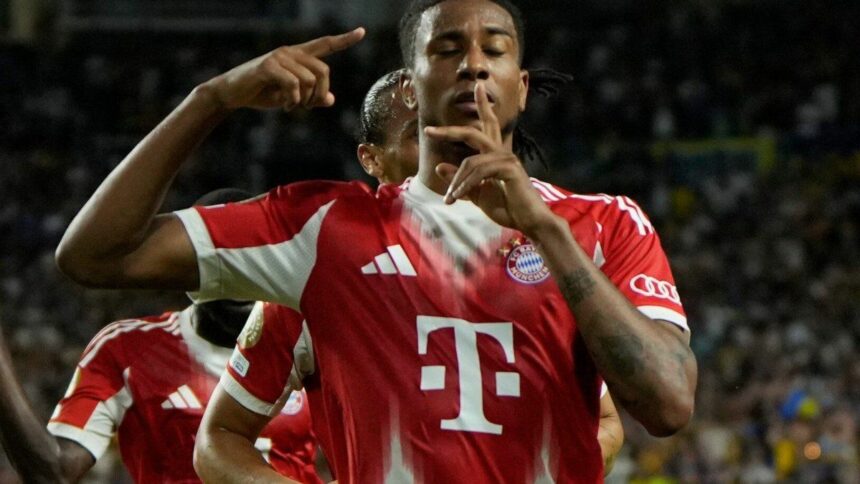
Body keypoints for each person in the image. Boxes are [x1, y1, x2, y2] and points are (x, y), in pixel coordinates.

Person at [56, 0, 697, 481]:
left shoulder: (607, 224)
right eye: (447, 48)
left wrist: (545, 230)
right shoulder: (324, 228)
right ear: (411, 85)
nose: (474, 63)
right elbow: (94, 255)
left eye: (495, 49)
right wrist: (211, 99)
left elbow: (668, 406)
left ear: (521, 87)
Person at [223, 68, 623, 479]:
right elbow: (220, 437)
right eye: (423, 136)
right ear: (371, 159)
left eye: (456, 132)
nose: (449, 149)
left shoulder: (534, 253)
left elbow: (607, 422)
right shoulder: (320, 267)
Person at [0, 190, 321, 483]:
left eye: (249, 258)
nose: (238, 278)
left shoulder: (313, 341)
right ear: (187, 265)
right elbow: (52, 472)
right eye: (222, 259)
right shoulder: (126, 349)